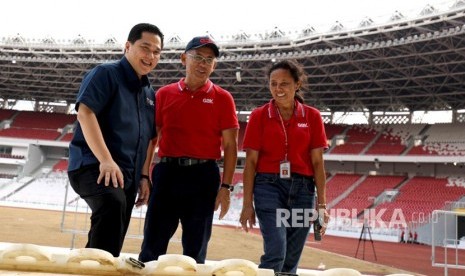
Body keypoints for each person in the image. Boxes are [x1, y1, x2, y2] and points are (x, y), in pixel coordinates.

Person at [138, 36, 239, 264]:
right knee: (151, 246)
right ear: (184, 59)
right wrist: (144, 175)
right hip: (167, 173)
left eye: (209, 59)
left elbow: (231, 146)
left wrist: (226, 187)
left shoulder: (223, 98)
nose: (203, 64)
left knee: (195, 251)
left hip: (204, 177)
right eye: (197, 57)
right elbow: (152, 140)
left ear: (214, 65)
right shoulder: (164, 94)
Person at [67, 23, 164, 257]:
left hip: (128, 177)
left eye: (157, 52)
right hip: (94, 165)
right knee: (112, 204)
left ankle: (92, 266)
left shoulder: (149, 93)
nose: (150, 56)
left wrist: (143, 176)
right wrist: (106, 160)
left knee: (113, 236)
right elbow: (85, 113)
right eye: (145, 47)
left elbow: (149, 139)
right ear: (128, 46)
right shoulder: (105, 74)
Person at [239, 59, 330, 273]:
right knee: (276, 251)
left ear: (297, 84)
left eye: (284, 83)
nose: (278, 89)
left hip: (304, 191)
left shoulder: (312, 116)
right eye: (273, 83)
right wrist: (246, 204)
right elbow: (250, 163)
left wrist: (322, 206)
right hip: (268, 187)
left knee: (291, 259)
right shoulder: (259, 116)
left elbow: (318, 163)